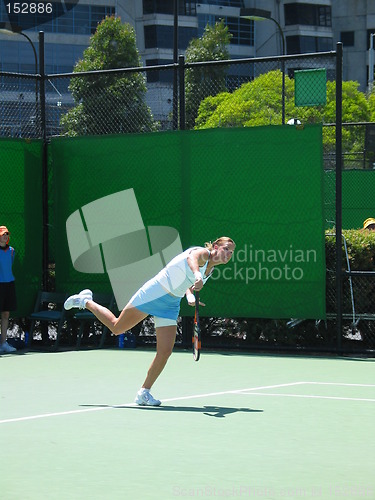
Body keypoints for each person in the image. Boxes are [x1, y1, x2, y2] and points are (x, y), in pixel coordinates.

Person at [64, 236, 236, 406]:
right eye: (226, 248)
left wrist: (190, 297)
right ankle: (85, 301)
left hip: (170, 304)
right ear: (215, 246)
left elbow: (188, 285)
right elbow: (192, 259)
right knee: (117, 327)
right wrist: (197, 274)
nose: (228, 253)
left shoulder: (210, 270)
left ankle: (144, 392)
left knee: (165, 351)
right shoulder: (203, 253)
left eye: (231, 251)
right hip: (153, 293)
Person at [0, 226, 17, 354]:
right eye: (2, 234)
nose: (5, 236)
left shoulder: (11, 251)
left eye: (6, 234)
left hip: (9, 284)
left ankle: (3, 343)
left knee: (6, 314)